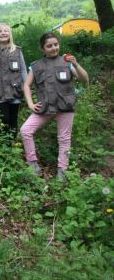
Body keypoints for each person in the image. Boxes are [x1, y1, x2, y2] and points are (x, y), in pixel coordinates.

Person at [20, 33, 89, 180]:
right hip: (45, 107)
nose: (53, 48)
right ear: (42, 48)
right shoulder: (36, 65)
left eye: (56, 44)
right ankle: (33, 165)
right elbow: (26, 84)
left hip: (65, 107)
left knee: (64, 139)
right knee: (25, 130)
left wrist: (76, 64)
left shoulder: (67, 62)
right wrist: (31, 103)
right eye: (49, 46)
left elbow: (85, 80)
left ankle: (62, 172)